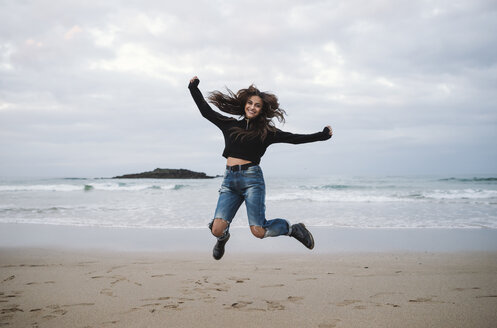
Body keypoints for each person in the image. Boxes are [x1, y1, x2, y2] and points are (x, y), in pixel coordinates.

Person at [188, 76, 333, 260]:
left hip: (252, 181)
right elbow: (206, 112)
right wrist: (193, 88)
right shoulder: (230, 124)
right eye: (250, 103)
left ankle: (293, 229)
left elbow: (294, 138)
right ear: (244, 104)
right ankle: (223, 238)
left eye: (257, 105)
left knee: (259, 231)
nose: (252, 107)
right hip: (230, 181)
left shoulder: (266, 132)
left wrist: (321, 135)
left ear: (261, 110)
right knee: (216, 230)